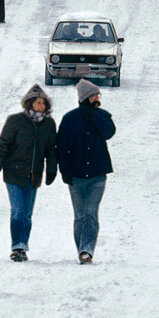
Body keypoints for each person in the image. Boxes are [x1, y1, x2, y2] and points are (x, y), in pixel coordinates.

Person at [0, 84, 59, 261]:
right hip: (14, 173)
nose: (40, 106)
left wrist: (51, 169)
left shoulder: (49, 124)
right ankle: (17, 246)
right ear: (29, 103)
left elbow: (51, 150)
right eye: (37, 102)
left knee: (27, 214)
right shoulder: (15, 121)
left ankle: (22, 247)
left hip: (34, 176)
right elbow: (2, 145)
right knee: (18, 211)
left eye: (43, 103)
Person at [55, 79, 116, 264]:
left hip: (97, 175)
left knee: (90, 213)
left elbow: (109, 132)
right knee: (80, 216)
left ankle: (87, 250)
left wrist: (94, 114)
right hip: (76, 176)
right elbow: (61, 147)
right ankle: (81, 249)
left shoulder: (102, 116)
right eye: (93, 96)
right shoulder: (70, 119)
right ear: (85, 98)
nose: (97, 98)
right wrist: (64, 171)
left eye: (97, 95)